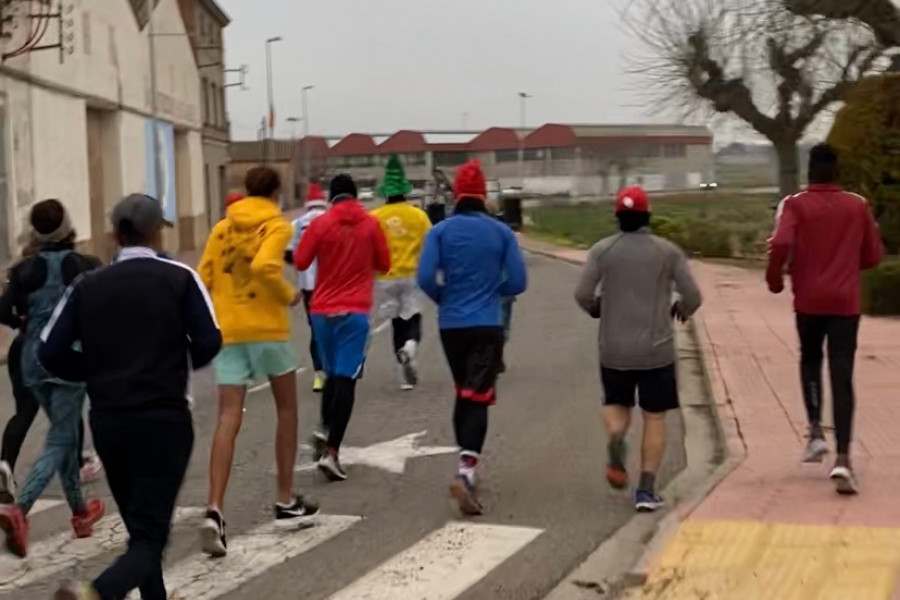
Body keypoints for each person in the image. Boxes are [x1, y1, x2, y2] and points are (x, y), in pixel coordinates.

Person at [38, 194, 221, 600]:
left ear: (115, 235)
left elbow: (48, 351)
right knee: (150, 538)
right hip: (164, 419)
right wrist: (171, 363)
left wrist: (94, 371)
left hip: (111, 422)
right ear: (157, 231)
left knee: (141, 528)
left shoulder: (87, 285)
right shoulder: (179, 277)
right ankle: (95, 594)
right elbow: (210, 340)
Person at [198, 167, 319, 558]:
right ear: (276, 193)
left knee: (228, 417)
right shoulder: (277, 227)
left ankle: (214, 509)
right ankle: (284, 498)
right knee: (287, 409)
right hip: (267, 329)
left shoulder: (221, 229)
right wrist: (288, 294)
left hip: (229, 330)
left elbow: (205, 276)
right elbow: (267, 266)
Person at [574, 186, 702, 513]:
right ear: (648, 216)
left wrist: (597, 308)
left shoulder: (602, 250)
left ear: (618, 217)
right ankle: (646, 491)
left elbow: (583, 293)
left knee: (617, 403)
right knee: (655, 416)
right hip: (656, 350)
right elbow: (693, 296)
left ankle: (617, 437)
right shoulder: (667, 251)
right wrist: (681, 310)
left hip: (614, 348)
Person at [766, 143, 884, 495]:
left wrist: (776, 278)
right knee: (842, 371)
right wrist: (848, 267)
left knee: (810, 359)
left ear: (809, 171)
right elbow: (874, 256)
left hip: (809, 300)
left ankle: (816, 430)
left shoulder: (795, 204)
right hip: (845, 302)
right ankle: (844, 459)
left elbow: (782, 241)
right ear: (837, 171)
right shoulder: (857, 205)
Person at [417, 160, 527, 516]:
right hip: (487, 323)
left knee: (463, 390)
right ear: (483, 193)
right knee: (478, 397)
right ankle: (465, 472)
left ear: (456, 193)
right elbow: (518, 282)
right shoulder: (501, 233)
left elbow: (424, 277)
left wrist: (444, 298)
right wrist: (495, 292)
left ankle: (465, 463)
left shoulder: (440, 232)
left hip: (451, 326)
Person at [0, 199, 106, 557]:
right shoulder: (85, 265)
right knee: (61, 439)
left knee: (66, 430)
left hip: (32, 360)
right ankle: (20, 510)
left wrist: (22, 323)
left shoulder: (23, 270)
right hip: (68, 358)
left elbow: (3, 310)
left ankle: (80, 514)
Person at [294, 174, 391, 481]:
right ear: (355, 195)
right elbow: (385, 264)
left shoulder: (320, 224)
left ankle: (324, 427)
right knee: (346, 377)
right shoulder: (371, 224)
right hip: (355, 311)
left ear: (331, 197)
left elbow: (300, 261)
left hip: (322, 310)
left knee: (330, 373)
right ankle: (333, 452)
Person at [0, 242, 102, 492]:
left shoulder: (22, 276)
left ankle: (4, 464)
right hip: (55, 343)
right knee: (69, 402)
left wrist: (19, 323)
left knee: (24, 411)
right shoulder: (72, 268)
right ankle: (75, 465)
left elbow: (2, 310)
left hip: (23, 345)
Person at [370, 155, 432, 390]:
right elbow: (429, 244)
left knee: (396, 322)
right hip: (412, 276)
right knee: (412, 317)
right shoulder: (419, 216)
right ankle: (410, 348)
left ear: (385, 193)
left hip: (385, 277)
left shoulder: (374, 217)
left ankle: (403, 369)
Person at [288, 182, 329, 392]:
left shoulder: (297, 223)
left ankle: (319, 374)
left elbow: (289, 254)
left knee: (316, 328)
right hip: (331, 282)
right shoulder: (332, 220)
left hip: (308, 285)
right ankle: (335, 368)